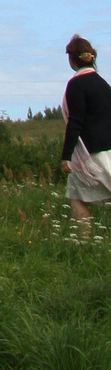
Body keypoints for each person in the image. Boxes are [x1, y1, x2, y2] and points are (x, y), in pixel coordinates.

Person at [60, 34, 111, 229]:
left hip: (90, 157)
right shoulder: (104, 85)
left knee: (77, 199)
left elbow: (75, 122)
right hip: (109, 151)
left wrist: (66, 156)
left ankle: (83, 245)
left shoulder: (76, 85)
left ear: (71, 59)